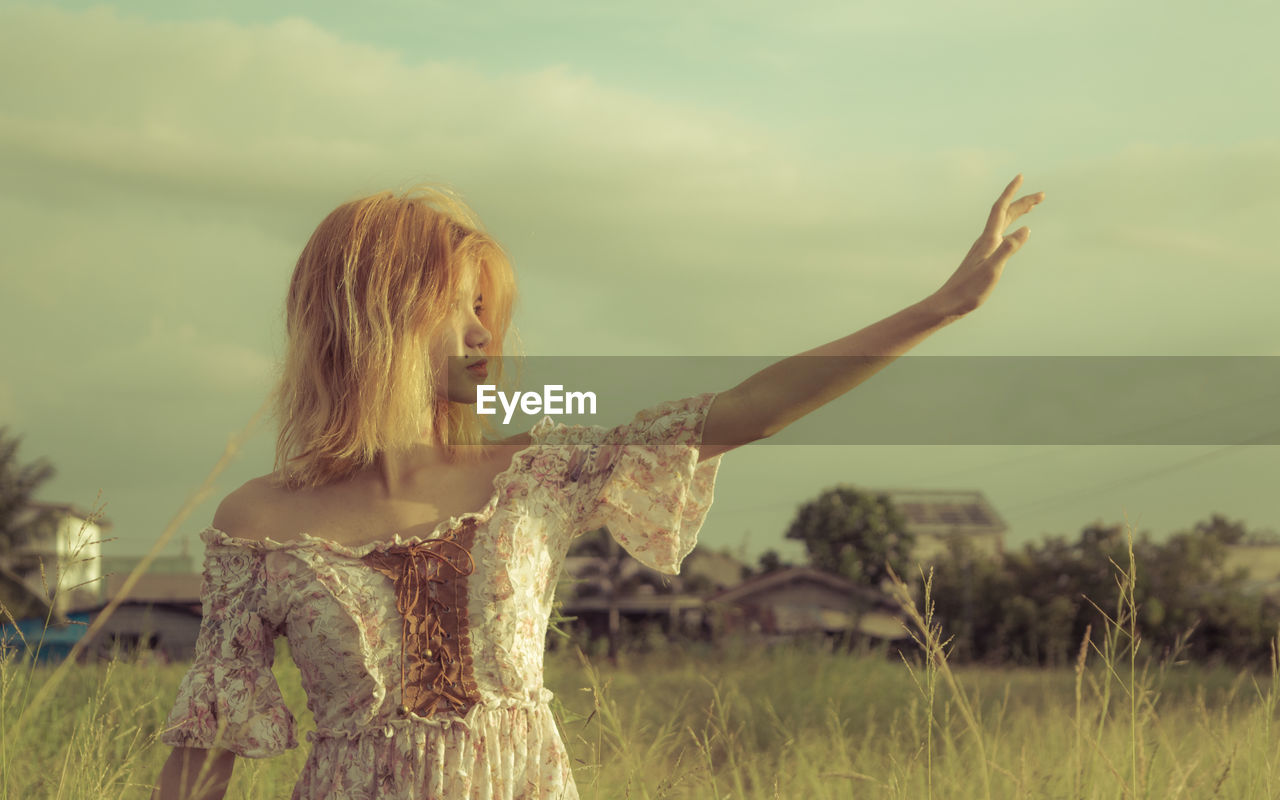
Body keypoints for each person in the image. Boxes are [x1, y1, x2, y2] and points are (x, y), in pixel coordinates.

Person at [150, 176, 1045, 799]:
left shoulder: (537, 468)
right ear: (375, 310)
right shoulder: (260, 524)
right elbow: (207, 749)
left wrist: (942, 306)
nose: (482, 334)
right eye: (459, 305)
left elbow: (744, 411)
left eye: (487, 311)